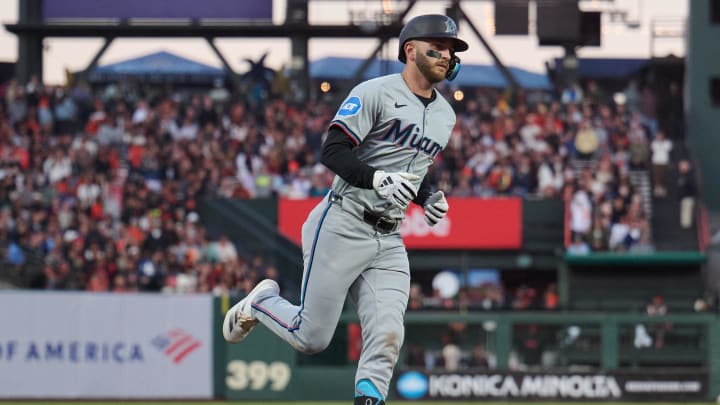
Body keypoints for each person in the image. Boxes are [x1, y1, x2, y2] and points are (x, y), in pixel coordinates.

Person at [222, 14, 468, 405]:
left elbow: (410, 173)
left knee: (388, 333)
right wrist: (375, 179)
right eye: (438, 47)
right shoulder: (375, 91)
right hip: (344, 220)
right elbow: (332, 151)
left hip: (388, 237)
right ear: (410, 50)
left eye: (452, 49)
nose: (447, 55)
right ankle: (261, 302)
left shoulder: (445, 114)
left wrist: (428, 197)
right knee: (311, 338)